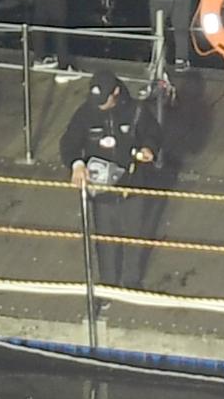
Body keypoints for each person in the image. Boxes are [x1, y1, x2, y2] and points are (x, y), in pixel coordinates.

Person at [62, 70, 174, 285]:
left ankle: (132, 283)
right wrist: (76, 165)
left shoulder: (136, 111)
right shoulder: (85, 113)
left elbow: (153, 133)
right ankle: (108, 285)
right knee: (105, 241)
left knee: (135, 238)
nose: (99, 105)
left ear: (115, 92)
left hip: (132, 187)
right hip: (101, 191)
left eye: (103, 100)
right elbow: (69, 143)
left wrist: (148, 148)